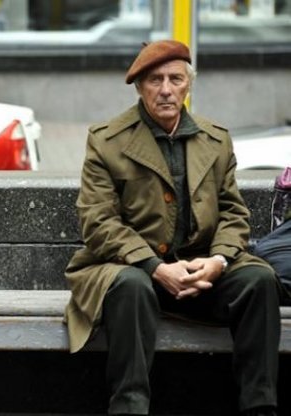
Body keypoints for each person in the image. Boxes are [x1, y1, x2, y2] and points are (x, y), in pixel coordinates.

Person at [64, 40, 280, 416]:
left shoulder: (215, 139)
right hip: (132, 271)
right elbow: (98, 221)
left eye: (175, 79)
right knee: (131, 287)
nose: (166, 89)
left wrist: (218, 261)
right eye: (155, 80)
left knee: (259, 280)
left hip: (200, 273)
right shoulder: (107, 141)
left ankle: (260, 406)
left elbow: (233, 213)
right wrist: (155, 268)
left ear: (188, 85)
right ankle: (129, 406)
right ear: (140, 87)